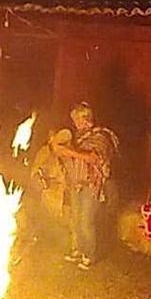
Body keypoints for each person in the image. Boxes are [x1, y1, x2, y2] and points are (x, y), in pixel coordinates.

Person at [53, 102, 119, 270]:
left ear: (86, 118)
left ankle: (89, 254)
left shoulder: (101, 136)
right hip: (76, 185)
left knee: (86, 221)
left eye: (77, 118)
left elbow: (93, 157)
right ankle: (78, 250)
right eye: (73, 118)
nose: (74, 121)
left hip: (91, 185)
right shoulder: (76, 137)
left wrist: (68, 151)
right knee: (75, 219)